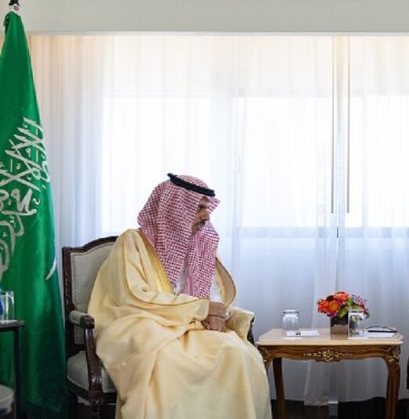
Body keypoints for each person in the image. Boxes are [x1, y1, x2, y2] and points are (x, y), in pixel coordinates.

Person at [88, 173, 272, 419]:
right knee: (167, 361)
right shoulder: (133, 241)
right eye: (198, 208)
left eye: (207, 208)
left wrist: (216, 312)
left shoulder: (200, 243)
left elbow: (212, 293)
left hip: (191, 326)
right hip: (142, 323)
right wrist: (202, 308)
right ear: (174, 210)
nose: (206, 216)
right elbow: (134, 296)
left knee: (235, 352)